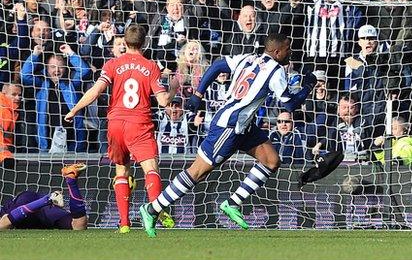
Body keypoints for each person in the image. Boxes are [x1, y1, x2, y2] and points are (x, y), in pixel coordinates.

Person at [139, 33, 317, 237]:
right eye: (288, 49)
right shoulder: (276, 71)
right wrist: (308, 86)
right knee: (197, 172)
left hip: (244, 126)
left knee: (271, 161)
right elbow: (289, 104)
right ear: (277, 52)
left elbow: (217, 65)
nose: (291, 53)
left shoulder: (248, 58)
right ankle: (152, 209)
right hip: (229, 127)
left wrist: (199, 93)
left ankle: (232, 203)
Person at [64, 25, 179, 233]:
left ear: (124, 43)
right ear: (144, 43)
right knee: (151, 169)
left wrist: (74, 110)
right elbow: (163, 101)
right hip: (139, 123)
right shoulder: (151, 66)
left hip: (116, 124)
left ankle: (124, 224)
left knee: (121, 171)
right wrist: (173, 89)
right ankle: (156, 211)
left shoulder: (112, 64)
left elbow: (96, 91)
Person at [0, 163, 87, 230]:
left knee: (4, 224)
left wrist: (47, 200)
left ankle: (50, 197)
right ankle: (71, 179)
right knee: (79, 226)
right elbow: (79, 225)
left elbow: (4, 223)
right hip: (41, 210)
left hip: (27, 202)